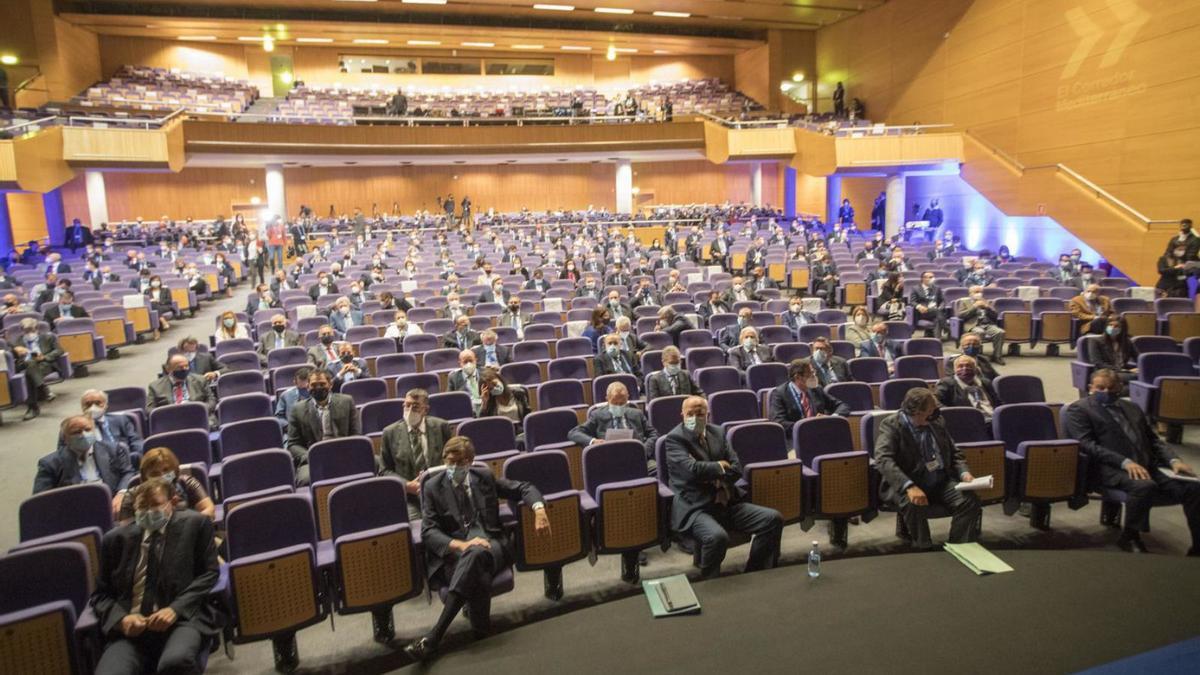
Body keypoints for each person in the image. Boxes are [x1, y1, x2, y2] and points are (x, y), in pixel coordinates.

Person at [402, 436, 551, 662]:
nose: (453, 468)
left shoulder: (484, 477)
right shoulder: (432, 486)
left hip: (493, 546)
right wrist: (463, 545)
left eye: (459, 463)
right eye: (449, 462)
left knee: (478, 553)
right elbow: (428, 532)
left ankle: (434, 636)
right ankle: (480, 629)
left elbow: (523, 487)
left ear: (470, 461)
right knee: (475, 564)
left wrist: (539, 510)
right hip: (456, 553)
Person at [91, 478, 220, 675]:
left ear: (173, 503)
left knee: (174, 663)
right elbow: (100, 595)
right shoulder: (115, 541)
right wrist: (122, 620)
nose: (149, 512)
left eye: (156, 505)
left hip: (181, 620)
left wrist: (175, 609)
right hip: (131, 631)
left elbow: (209, 574)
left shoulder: (195, 525)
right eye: (142, 506)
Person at [1066, 369, 1200, 555]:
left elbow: (1152, 440)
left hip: (1146, 465)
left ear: (1120, 388)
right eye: (1100, 388)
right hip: (1108, 468)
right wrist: (1125, 462)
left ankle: (1198, 546)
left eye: (1111, 388)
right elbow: (1087, 445)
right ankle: (1130, 536)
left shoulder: (1132, 408)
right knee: (1144, 486)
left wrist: (1173, 460)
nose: (1106, 392)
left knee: (1193, 488)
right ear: (1090, 388)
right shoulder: (1079, 410)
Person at [663, 396, 783, 579]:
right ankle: (710, 582)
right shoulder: (675, 439)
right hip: (695, 507)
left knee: (772, 519)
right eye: (690, 414)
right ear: (682, 415)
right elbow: (691, 471)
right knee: (717, 538)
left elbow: (736, 469)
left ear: (708, 414)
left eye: (700, 413)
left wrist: (708, 472)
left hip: (726, 501)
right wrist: (719, 466)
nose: (695, 418)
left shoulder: (718, 432)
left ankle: (754, 572)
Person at [874, 387, 981, 549]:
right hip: (908, 481)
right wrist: (909, 486)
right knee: (914, 502)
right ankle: (924, 548)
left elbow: (954, 452)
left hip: (940, 480)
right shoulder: (891, 425)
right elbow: (883, 459)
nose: (936, 413)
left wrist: (964, 473)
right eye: (931, 411)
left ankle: (961, 547)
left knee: (968, 501)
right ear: (916, 412)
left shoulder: (936, 422)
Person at [34, 416, 135, 516]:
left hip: (112, 505)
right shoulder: (50, 463)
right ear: (65, 438)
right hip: (73, 513)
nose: (83, 434)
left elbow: (127, 472)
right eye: (76, 432)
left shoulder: (113, 450)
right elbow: (41, 499)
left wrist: (121, 494)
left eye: (87, 429)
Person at [568, 380, 658, 477]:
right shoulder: (598, 415)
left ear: (628, 397)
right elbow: (574, 432)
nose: (619, 406)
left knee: (657, 470)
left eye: (622, 403)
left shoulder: (637, 413)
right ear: (607, 399)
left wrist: (643, 449)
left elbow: (653, 434)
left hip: (638, 458)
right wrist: (593, 441)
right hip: (610, 461)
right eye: (615, 403)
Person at [285, 370, 359, 486]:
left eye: (322, 384)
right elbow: (293, 444)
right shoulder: (297, 409)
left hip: (344, 453)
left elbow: (356, 434)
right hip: (314, 459)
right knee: (305, 479)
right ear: (308, 387)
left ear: (330, 385)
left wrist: (346, 452)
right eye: (314, 385)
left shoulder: (347, 401)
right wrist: (311, 456)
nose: (318, 387)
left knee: (374, 463)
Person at [115, 447, 215, 524]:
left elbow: (210, 511)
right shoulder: (132, 495)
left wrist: (185, 527)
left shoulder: (187, 483)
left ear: (175, 471)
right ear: (145, 477)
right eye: (154, 474)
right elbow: (127, 531)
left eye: (166, 471)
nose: (162, 477)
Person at [768, 359, 850, 434]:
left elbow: (842, 406)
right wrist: (809, 425)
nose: (814, 376)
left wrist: (831, 418)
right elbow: (779, 422)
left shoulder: (816, 389)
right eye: (810, 374)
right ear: (798, 377)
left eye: (813, 372)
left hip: (820, 436)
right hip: (795, 439)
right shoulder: (779, 394)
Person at [11, 317, 64, 420]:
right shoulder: (18, 341)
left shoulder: (48, 338)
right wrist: (16, 352)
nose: (29, 333)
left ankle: (33, 408)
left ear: (37, 328)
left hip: (44, 365)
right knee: (29, 364)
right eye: (26, 331)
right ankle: (44, 390)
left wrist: (44, 357)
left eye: (32, 330)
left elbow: (59, 351)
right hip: (24, 365)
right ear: (22, 331)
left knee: (28, 374)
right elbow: (12, 357)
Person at [146, 355, 215, 427]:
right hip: (170, 423)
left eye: (186, 366)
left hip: (198, 418)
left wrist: (199, 410)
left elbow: (211, 400)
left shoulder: (200, 380)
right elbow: (149, 410)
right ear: (168, 369)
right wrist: (168, 415)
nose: (184, 369)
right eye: (180, 367)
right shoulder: (155, 386)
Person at [934, 355, 999, 424]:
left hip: (993, 418)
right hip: (967, 423)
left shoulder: (985, 382)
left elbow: (998, 402)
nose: (965, 369)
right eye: (960, 366)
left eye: (969, 366)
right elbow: (935, 401)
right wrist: (953, 415)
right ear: (955, 369)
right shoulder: (946, 383)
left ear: (975, 369)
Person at [81, 389, 144, 457]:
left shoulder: (121, 420)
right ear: (82, 407)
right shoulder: (77, 427)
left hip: (125, 460)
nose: (93, 407)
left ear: (106, 405)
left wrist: (136, 457)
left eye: (97, 403)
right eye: (88, 404)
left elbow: (136, 441)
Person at [955, 286, 1007, 364]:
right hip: (973, 325)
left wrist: (987, 307)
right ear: (970, 294)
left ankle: (997, 356)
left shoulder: (985, 301)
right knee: (980, 332)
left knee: (1000, 332)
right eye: (976, 292)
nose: (979, 294)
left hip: (988, 324)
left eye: (980, 292)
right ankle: (977, 357)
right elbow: (961, 315)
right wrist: (975, 307)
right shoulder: (965, 302)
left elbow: (995, 316)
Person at [479, 367, 531, 431]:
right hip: (500, 434)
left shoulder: (519, 393)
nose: (494, 388)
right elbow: (483, 426)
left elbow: (528, 417)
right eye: (490, 389)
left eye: (494, 384)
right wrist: (484, 403)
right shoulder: (489, 402)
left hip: (521, 432)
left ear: (499, 379)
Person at [1088, 315, 1137, 384]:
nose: (1112, 328)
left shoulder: (1127, 342)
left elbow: (1138, 358)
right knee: (1134, 377)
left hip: (1122, 373)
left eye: (1116, 326)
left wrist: (1140, 368)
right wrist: (1124, 370)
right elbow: (1098, 363)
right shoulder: (1095, 341)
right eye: (1110, 325)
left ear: (1123, 328)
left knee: (1142, 375)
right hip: (1103, 373)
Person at [910, 270, 948, 340]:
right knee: (938, 313)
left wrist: (940, 307)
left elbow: (942, 300)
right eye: (931, 277)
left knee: (937, 319)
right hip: (923, 312)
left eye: (933, 277)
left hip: (936, 311)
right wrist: (919, 306)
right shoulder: (915, 288)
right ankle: (947, 328)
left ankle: (937, 340)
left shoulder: (937, 288)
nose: (933, 279)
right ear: (924, 279)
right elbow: (912, 301)